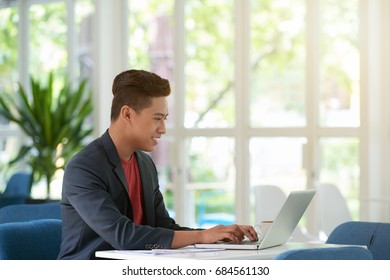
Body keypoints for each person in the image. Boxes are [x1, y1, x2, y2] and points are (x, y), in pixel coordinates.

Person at [57, 69, 258, 259]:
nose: (162, 129)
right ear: (127, 114)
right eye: (157, 119)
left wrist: (217, 234)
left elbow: (163, 227)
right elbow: (123, 236)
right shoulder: (83, 167)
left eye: (165, 119)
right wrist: (201, 236)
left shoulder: (145, 164)